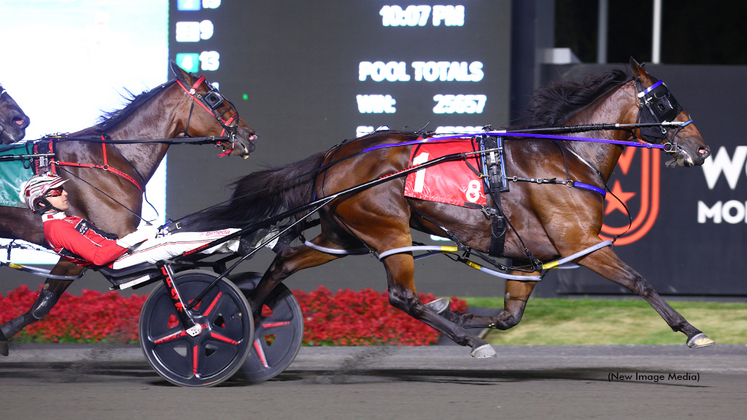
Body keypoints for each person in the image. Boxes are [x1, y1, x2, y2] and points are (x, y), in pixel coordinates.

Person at [0, 173, 243, 356]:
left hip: (123, 255)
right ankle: (236, 241)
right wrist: (135, 238)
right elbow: (98, 257)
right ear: (42, 203)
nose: (64, 193)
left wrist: (138, 238)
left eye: (61, 189)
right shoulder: (57, 228)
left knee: (172, 236)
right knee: (171, 244)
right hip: (119, 265)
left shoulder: (67, 220)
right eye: (55, 192)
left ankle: (233, 238)